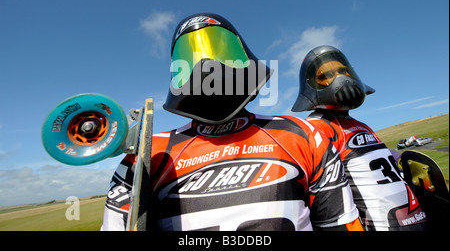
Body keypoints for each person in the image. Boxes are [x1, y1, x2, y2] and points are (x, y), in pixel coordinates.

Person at [101, 13, 362, 231]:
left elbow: (339, 222)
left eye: (222, 54)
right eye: (193, 59)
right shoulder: (148, 157)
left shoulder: (302, 135)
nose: (208, 66)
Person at [291, 45, 428, 231]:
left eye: (343, 71)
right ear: (311, 85)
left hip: (417, 218)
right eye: (326, 75)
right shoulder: (316, 128)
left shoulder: (361, 125)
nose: (340, 78)